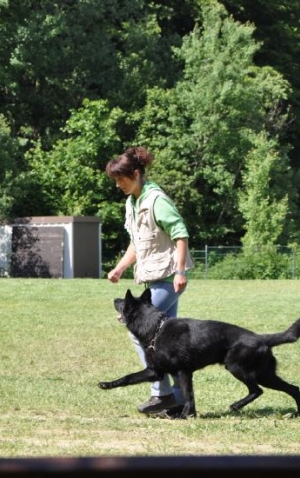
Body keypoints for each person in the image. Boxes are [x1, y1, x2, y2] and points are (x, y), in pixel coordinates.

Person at [105, 146, 193, 416]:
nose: (118, 184)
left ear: (135, 173)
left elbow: (180, 233)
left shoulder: (156, 200)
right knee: (170, 343)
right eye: (115, 180)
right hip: (151, 278)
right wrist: (120, 268)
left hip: (167, 278)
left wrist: (180, 271)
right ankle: (181, 403)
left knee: (139, 331)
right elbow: (137, 242)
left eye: (121, 179)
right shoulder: (132, 202)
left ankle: (162, 393)